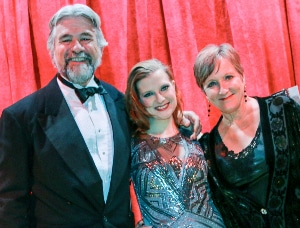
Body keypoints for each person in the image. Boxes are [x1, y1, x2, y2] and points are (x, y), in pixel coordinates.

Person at [0, 4, 200, 227]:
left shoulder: (122, 102)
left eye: (86, 38)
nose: (76, 47)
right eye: (66, 39)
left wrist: (180, 118)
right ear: (52, 50)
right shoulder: (20, 117)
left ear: (101, 46)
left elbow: (151, 131)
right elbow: (10, 200)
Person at [193, 43, 300, 227]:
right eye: (212, 83)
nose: (223, 89)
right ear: (204, 93)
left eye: (228, 77)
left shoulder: (283, 108)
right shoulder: (207, 149)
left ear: (242, 76)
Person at [125, 59, 225, 227]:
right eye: (148, 94)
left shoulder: (195, 138)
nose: (160, 98)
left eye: (164, 88)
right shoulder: (130, 146)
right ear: (138, 101)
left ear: (173, 86)